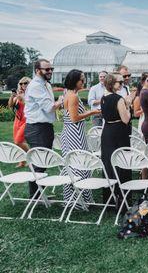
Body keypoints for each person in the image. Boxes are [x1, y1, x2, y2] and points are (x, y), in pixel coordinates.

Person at [24, 59, 63, 197]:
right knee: (39, 163)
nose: (50, 71)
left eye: (51, 68)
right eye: (47, 69)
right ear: (37, 70)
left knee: (42, 162)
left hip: (43, 127)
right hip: (37, 129)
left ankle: (37, 193)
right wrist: (63, 99)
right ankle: (35, 196)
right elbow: (49, 107)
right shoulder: (36, 86)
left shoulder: (45, 84)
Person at [62, 70, 101, 207]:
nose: (83, 82)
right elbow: (74, 118)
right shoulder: (72, 96)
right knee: (79, 163)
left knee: (73, 163)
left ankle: (76, 199)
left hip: (70, 132)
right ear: (74, 81)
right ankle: (80, 200)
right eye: (81, 80)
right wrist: (92, 112)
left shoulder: (68, 93)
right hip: (75, 132)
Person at [100, 72, 132, 206]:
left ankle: (110, 197)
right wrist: (128, 106)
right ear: (112, 83)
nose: (122, 84)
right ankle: (122, 197)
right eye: (119, 82)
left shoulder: (103, 97)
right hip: (119, 132)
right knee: (121, 162)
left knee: (108, 163)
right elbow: (126, 119)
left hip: (107, 132)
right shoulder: (118, 99)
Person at [8, 77, 31, 167]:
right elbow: (11, 105)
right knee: (17, 143)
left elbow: (31, 106)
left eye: (25, 83)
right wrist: (12, 96)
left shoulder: (31, 94)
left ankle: (32, 157)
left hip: (26, 120)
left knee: (18, 141)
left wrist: (22, 99)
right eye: (21, 84)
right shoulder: (19, 93)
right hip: (17, 120)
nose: (23, 85)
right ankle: (23, 162)